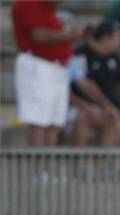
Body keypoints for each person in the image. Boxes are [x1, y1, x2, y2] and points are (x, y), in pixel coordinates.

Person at [11, 0, 86, 146]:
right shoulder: (28, 4)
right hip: (38, 66)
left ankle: (48, 167)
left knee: (54, 122)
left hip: (56, 68)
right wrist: (70, 35)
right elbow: (39, 36)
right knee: (39, 120)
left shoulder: (48, 10)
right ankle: (37, 167)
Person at [69, 20, 120, 147]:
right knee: (107, 120)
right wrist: (106, 106)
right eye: (117, 38)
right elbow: (83, 85)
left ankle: (110, 164)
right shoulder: (80, 54)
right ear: (106, 38)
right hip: (88, 107)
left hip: (112, 108)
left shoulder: (114, 57)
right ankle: (85, 161)